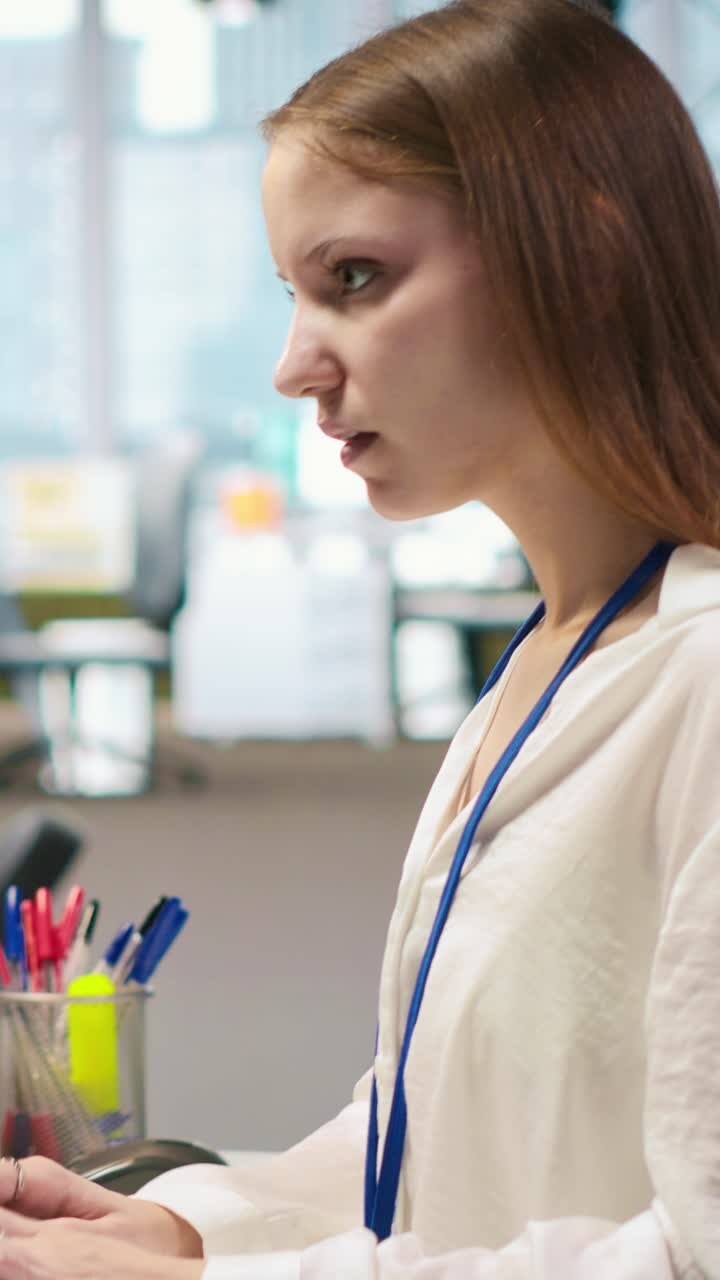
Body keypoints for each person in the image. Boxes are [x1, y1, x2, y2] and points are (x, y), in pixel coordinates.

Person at [0, 0, 719, 1275]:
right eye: (295, 292)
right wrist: (192, 1223)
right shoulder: (561, 656)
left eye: (355, 279)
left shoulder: (703, 680)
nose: (293, 364)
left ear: (587, 259)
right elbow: (430, 1110)